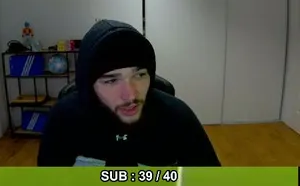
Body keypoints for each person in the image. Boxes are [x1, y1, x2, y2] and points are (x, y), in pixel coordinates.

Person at [37, 20, 220, 167]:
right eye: (111, 81)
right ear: (89, 85)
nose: (131, 95)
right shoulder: (64, 119)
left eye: (139, 75)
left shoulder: (177, 117)